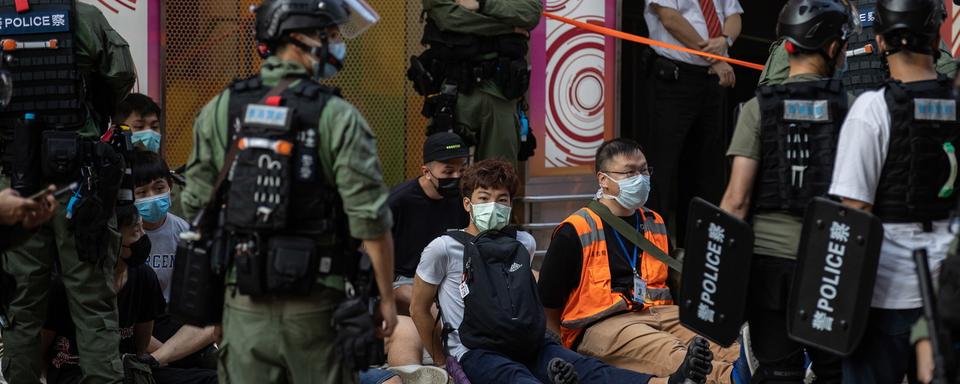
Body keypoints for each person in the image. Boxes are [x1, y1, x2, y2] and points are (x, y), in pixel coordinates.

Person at [181, 0, 397, 382]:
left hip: (242, 302)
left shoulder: (221, 108)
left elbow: (197, 204)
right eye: (330, 34)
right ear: (300, 38)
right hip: (317, 305)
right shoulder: (338, 115)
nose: (337, 43)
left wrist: (217, 307)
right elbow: (371, 221)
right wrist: (384, 299)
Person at [409, 159, 715, 384]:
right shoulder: (443, 247)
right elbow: (419, 308)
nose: (494, 205)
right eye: (484, 198)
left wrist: (550, 337)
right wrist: (443, 361)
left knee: (592, 370)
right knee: (518, 379)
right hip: (477, 350)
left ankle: (671, 382)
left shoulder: (523, 242)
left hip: (528, 342)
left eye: (502, 199)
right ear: (467, 204)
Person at [719, 1, 856, 381]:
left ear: (787, 47)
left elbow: (736, 200)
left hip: (768, 270)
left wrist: (723, 281)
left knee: (779, 372)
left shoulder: (755, 109)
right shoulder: (853, 110)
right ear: (832, 49)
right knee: (834, 371)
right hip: (830, 263)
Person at [0, 0, 136, 381]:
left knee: (19, 307)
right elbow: (121, 76)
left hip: (13, 185)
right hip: (81, 179)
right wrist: (88, 113)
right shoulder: (85, 17)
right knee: (93, 305)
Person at [827, 0, 959, 381]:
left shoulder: (871, 109)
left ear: (880, 41)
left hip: (883, 296)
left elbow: (852, 214)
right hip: (948, 293)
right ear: (937, 38)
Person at [538, 139, 741, 383]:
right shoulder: (575, 230)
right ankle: (735, 378)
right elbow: (548, 303)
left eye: (644, 170)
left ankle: (753, 370)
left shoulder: (654, 221)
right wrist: (562, 355)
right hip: (605, 322)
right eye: (629, 172)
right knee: (678, 355)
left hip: (661, 312)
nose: (640, 178)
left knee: (727, 345)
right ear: (603, 180)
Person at [643, 0, 743, 246]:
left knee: (707, 171)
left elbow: (734, 16)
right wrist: (714, 58)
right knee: (662, 169)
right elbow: (670, 19)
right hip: (676, 78)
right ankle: (657, 252)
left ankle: (698, 248)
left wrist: (725, 41)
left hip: (712, 81)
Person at [414, 0, 542, 169]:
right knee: (447, 172)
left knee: (498, 175)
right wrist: (509, 28)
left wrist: (482, 4)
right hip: (454, 95)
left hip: (501, 93)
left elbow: (530, 13)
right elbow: (449, 19)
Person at [386, 132, 469, 370]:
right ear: (426, 171)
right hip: (405, 280)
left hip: (451, 275)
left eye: (461, 170)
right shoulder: (397, 201)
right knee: (427, 306)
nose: (456, 177)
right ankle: (446, 364)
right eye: (448, 171)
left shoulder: (462, 198)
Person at [758, 1, 958, 90]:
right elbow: (775, 86)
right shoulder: (814, 9)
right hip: (830, 127)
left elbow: (943, 71)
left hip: (885, 123)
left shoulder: (896, 8)